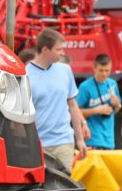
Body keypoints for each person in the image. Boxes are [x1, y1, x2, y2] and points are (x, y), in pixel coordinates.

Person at [26, 28, 87, 171]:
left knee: (63, 190)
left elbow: (73, 106)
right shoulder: (25, 74)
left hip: (64, 142)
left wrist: (80, 140)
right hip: (37, 146)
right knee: (41, 190)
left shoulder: (65, 70)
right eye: (59, 49)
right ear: (46, 49)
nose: (63, 53)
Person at [77, 53, 122, 150]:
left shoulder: (112, 84)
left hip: (109, 141)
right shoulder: (85, 87)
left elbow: (115, 111)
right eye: (101, 70)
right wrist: (95, 110)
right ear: (94, 68)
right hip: (92, 140)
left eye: (107, 70)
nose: (104, 74)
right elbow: (76, 112)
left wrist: (117, 105)